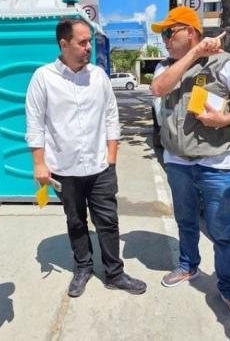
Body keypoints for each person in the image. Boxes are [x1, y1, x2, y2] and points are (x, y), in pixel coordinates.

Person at [150, 6, 230, 327]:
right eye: (164, 34)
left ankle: (229, 289)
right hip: (177, 162)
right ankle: (188, 264)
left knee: (222, 232)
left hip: (215, 163)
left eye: (171, 32)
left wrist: (223, 119)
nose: (165, 39)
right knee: (185, 220)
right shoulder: (164, 68)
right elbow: (158, 89)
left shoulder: (225, 64)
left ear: (191, 31)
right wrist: (195, 53)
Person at [25, 18, 146, 298]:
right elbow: (34, 124)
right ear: (64, 44)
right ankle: (83, 267)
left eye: (89, 41)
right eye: (82, 42)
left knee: (108, 220)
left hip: (100, 166)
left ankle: (114, 273)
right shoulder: (43, 78)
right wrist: (39, 163)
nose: (88, 47)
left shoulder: (99, 76)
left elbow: (111, 115)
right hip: (64, 169)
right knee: (76, 220)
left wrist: (112, 156)